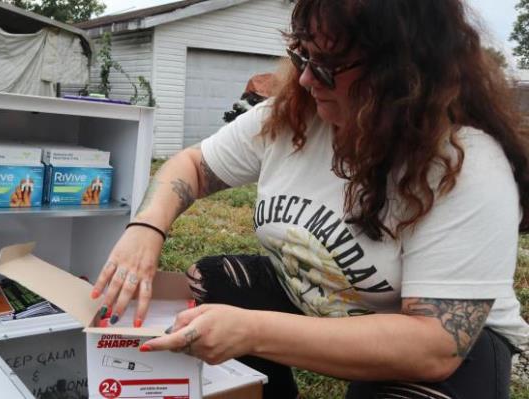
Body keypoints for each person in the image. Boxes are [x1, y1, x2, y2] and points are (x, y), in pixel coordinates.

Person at [91, 1, 529, 398]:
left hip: (447, 344)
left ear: (401, 72)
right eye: (303, 55)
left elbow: (435, 346)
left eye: (328, 66)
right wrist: (146, 228)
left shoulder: (463, 162)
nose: (304, 77)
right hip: (323, 302)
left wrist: (253, 331)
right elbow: (192, 165)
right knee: (212, 282)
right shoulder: (294, 115)